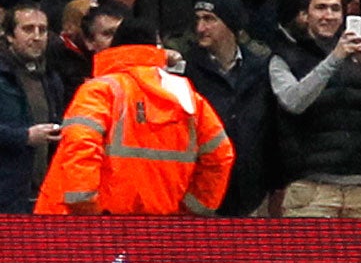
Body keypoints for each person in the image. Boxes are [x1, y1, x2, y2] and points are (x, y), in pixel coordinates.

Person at [36, 16, 233, 216]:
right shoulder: (188, 98)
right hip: (158, 229)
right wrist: (190, 211)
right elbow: (220, 157)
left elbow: (80, 146)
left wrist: (86, 208)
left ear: (116, 47)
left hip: (95, 225)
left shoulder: (101, 91)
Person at [268, 0, 361, 217]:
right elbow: (294, 101)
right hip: (311, 189)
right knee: (314, 256)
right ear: (305, 15)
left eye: (335, 9)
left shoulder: (359, 56)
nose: (329, 15)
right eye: (321, 8)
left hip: (358, 188)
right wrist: (335, 58)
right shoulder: (284, 57)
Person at [176, 0, 272, 218]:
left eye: (209, 19)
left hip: (253, 195)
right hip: (201, 196)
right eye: (198, 19)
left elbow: (271, 130)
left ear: (230, 23)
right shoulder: (186, 71)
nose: (200, 28)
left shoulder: (261, 68)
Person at [0, 2, 65, 213]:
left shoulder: (52, 78)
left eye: (42, 30)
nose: (37, 36)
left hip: (41, 194)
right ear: (9, 35)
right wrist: (24, 137)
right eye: (28, 29)